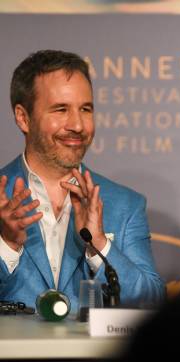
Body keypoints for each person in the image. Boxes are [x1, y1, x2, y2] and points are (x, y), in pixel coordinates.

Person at [0, 50, 165, 308]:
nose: (77, 125)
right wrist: (7, 245)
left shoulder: (125, 205)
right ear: (24, 118)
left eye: (86, 109)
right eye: (61, 109)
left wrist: (99, 244)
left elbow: (150, 301)